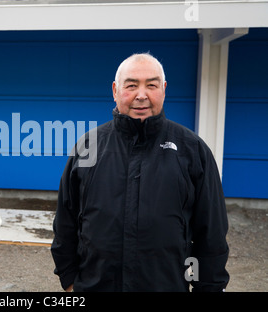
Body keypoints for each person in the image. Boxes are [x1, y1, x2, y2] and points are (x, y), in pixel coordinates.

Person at [51, 53, 230, 292]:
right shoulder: (88, 147)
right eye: (132, 85)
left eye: (152, 85)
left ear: (163, 89)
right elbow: (65, 222)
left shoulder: (192, 150)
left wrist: (205, 286)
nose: (142, 95)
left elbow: (211, 234)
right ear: (115, 90)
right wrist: (70, 279)